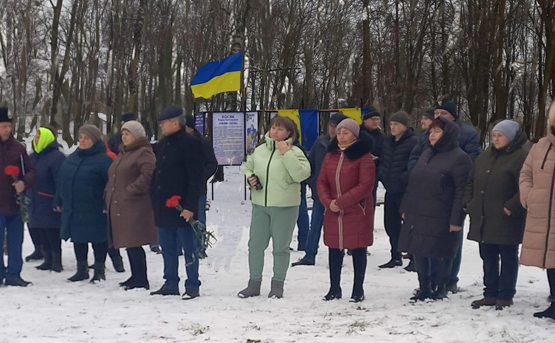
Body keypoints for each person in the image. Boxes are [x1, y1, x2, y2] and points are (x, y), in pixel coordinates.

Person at [398, 117, 472, 301]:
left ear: (448, 134)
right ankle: (424, 287)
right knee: (419, 249)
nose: (432, 135)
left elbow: (462, 192)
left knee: (442, 251)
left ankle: (441, 287)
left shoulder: (460, 158)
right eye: (431, 131)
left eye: (437, 131)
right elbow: (414, 183)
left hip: (443, 214)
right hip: (419, 211)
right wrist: (406, 207)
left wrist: (456, 220)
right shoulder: (426, 154)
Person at [238, 116, 311, 299]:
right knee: (255, 246)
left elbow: (301, 174)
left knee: (280, 248)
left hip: (285, 206)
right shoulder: (260, 150)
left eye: (280, 129)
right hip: (261, 205)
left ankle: (277, 285)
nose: (275, 131)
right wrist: (250, 178)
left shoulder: (295, 151)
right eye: (273, 128)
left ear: (289, 133)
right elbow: (247, 167)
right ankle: (254, 284)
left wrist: (286, 153)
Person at [464, 120, 528, 310]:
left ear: (511, 137)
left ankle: (506, 295)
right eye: (494, 135)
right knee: (488, 256)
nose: (496, 139)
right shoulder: (485, 156)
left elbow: (525, 186)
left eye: (500, 135)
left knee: (508, 256)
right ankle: (490, 292)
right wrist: (468, 201)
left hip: (507, 218)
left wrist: (511, 207)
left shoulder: (521, 157)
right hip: (484, 216)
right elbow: (471, 180)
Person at [149, 105, 205, 300]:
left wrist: (190, 206)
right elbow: (159, 172)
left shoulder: (190, 143)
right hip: (164, 206)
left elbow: (195, 178)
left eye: (164, 123)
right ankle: (171, 282)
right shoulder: (163, 144)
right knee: (168, 247)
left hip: (182, 207)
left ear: (175, 123)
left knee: (189, 248)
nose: (161, 126)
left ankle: (192, 285)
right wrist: (154, 197)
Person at [317, 118, 375, 303]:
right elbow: (321, 181)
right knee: (334, 248)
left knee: (358, 248)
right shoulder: (331, 154)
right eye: (339, 132)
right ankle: (334, 288)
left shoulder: (364, 156)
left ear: (355, 135)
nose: (341, 136)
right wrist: (328, 202)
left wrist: (341, 202)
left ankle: (358, 289)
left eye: (346, 133)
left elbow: (365, 185)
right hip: (333, 209)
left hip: (356, 209)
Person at [55, 125, 113, 283]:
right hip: (74, 206)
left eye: (86, 138)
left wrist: (106, 205)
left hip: (95, 206)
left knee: (98, 239)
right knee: (78, 238)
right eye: (80, 137)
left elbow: (110, 185)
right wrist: (58, 200)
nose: (82, 141)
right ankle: (82, 270)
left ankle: (99, 271)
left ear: (95, 140)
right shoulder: (72, 158)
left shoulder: (104, 161)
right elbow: (62, 180)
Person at [105, 121, 157, 290]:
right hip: (121, 204)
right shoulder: (123, 153)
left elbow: (148, 174)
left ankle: (141, 279)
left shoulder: (143, 152)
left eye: (128, 133)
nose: (124, 137)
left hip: (135, 204)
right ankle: (135, 276)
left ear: (137, 135)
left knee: (134, 241)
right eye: (123, 133)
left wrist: (130, 190)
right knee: (128, 241)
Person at [292, 112, 347, 266]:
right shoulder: (320, 143)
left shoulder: (347, 146)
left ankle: (338, 254)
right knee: (315, 224)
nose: (333, 129)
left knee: (337, 226)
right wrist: (313, 181)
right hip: (319, 193)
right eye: (331, 126)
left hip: (339, 194)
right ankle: (310, 254)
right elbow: (309, 166)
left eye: (336, 127)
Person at [519, 100, 555, 320]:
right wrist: (528, 196)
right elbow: (526, 174)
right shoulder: (540, 146)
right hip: (543, 214)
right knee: (551, 261)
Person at [0, 107, 37, 286]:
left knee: (16, 243)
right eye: (4, 126)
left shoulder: (18, 148)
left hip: (15, 204)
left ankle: (14, 274)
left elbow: (31, 171)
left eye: (9, 126)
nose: (8, 130)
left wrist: (24, 183)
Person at [377, 111, 418, 269]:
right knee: (391, 224)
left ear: (404, 126)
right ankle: (395, 255)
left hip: (405, 191)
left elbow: (414, 164)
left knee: (409, 224)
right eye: (392, 124)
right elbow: (383, 161)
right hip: (390, 189)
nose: (393, 127)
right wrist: (382, 174)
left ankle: (414, 257)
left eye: (397, 124)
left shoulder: (413, 142)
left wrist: (403, 177)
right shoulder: (388, 142)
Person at [28, 126, 65, 272]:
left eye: (39, 137)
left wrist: (58, 199)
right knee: (40, 229)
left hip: (49, 199)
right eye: (35, 137)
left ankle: (56, 260)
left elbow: (60, 181)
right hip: (35, 199)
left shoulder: (57, 157)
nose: (36, 140)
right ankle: (47, 258)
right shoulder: (33, 156)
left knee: (52, 231)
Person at [184, 114, 218, 225]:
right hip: (181, 190)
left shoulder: (203, 142)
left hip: (198, 190)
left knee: (199, 223)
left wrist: (199, 177)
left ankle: (201, 242)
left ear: (191, 127)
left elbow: (212, 163)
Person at [360, 106, 385, 210]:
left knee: (370, 205)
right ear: (365, 120)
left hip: (372, 175)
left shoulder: (381, 137)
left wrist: (377, 159)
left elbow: (384, 155)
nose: (376, 122)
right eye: (373, 119)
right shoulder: (356, 133)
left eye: (377, 119)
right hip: (356, 174)